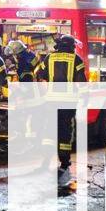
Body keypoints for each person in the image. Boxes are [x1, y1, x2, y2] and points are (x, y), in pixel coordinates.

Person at [33, 34, 86, 175]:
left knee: (49, 131)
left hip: (50, 102)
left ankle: (45, 162)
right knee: (65, 132)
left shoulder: (49, 57)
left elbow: (41, 75)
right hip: (68, 103)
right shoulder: (76, 59)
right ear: (71, 46)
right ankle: (64, 162)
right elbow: (82, 82)